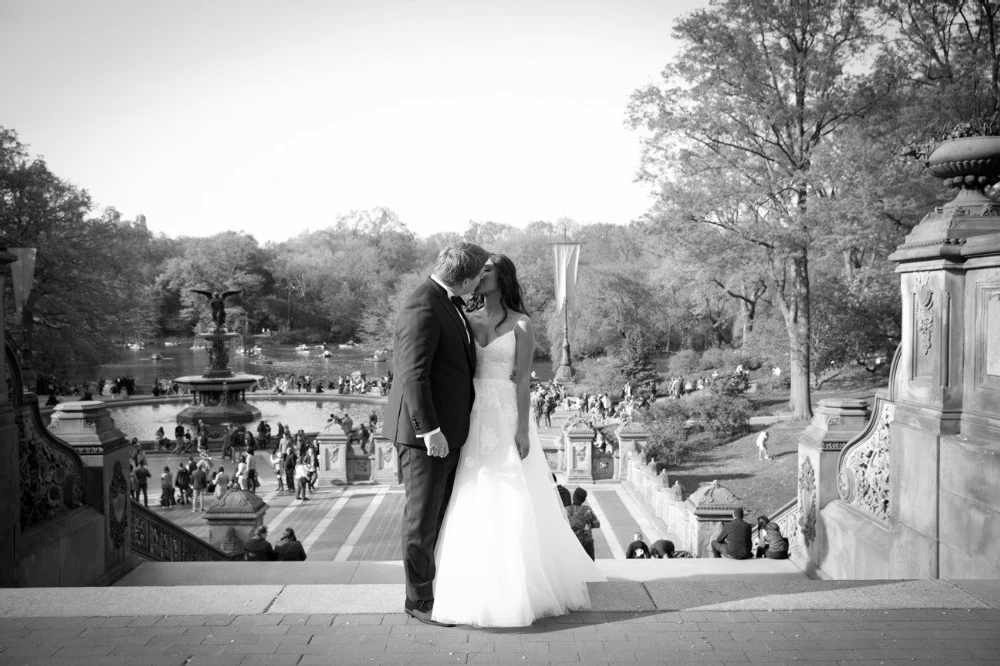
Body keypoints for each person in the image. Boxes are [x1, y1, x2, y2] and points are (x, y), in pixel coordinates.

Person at [430, 252, 605, 628]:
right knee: (473, 488)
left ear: (502, 278)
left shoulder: (522, 324)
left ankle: (516, 584)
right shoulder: (465, 318)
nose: (480, 276)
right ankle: (471, 582)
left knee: (510, 490)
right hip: (472, 414)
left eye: (487, 271)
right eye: (478, 272)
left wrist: (524, 429)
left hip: (506, 412)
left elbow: (523, 379)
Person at [382, 242, 491, 626]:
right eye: (479, 275)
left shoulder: (448, 301)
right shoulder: (422, 306)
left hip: (447, 434)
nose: (481, 281)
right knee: (421, 520)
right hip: (426, 438)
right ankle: (418, 601)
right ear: (463, 277)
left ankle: (435, 588)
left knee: (438, 516)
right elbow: (413, 375)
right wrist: (430, 431)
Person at [565, 487, 600, 560]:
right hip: (587, 542)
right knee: (590, 565)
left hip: (573, 542)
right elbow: (597, 524)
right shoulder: (587, 510)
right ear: (584, 500)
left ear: (573, 497)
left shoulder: (567, 510)